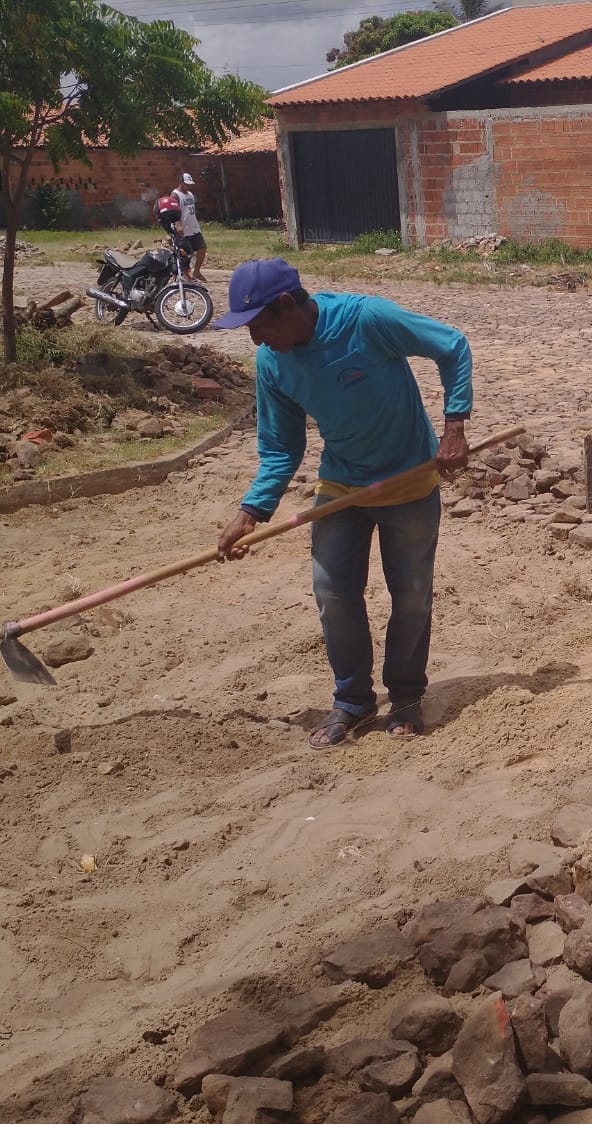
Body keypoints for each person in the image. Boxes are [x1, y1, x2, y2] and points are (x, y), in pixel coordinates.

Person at [214, 259, 472, 745]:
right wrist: (250, 512)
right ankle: (352, 700)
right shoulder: (273, 361)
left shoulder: (367, 320)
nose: (254, 340)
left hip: (409, 483)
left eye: (257, 325)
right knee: (333, 593)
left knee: (411, 595)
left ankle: (407, 696)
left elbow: (452, 346)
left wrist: (454, 426)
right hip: (341, 490)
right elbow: (281, 448)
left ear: (286, 306)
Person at [171, 172, 207, 282]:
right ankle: (186, 275)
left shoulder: (190, 194)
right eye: (186, 184)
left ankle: (196, 271)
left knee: (202, 248)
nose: (188, 186)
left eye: (190, 184)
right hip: (183, 230)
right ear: (180, 182)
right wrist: (178, 224)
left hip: (193, 228)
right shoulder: (175, 195)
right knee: (185, 254)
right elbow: (173, 211)